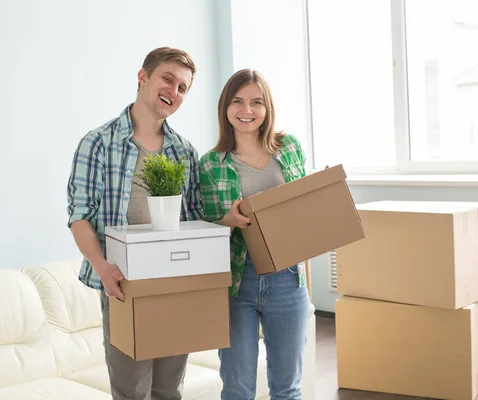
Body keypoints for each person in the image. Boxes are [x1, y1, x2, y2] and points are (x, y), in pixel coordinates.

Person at [67, 47, 203, 400]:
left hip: (174, 284)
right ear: (143, 77)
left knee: (169, 390)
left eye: (183, 88)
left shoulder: (184, 152)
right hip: (123, 284)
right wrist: (102, 268)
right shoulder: (98, 143)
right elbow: (80, 215)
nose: (174, 91)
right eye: (167, 79)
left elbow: (197, 219)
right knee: (131, 392)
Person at [198, 69, 310, 400]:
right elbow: (200, 228)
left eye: (256, 102)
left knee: (287, 388)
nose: (247, 110)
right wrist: (227, 220)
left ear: (267, 108)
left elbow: (303, 207)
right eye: (238, 101)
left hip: (287, 278)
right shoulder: (209, 164)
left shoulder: (288, 147)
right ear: (226, 107)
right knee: (237, 388)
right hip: (236, 282)